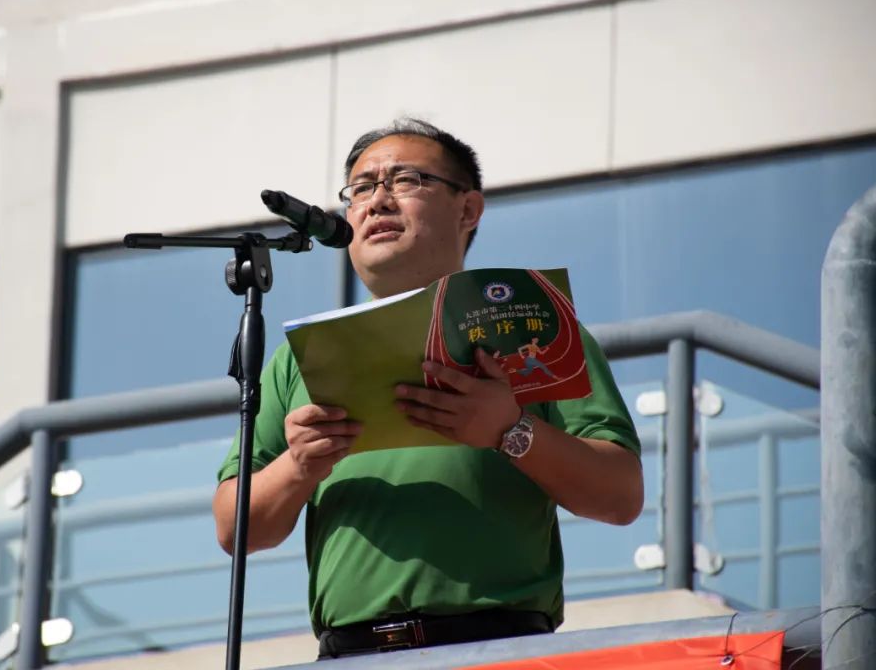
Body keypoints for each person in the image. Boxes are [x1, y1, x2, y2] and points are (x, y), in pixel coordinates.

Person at [213, 118, 643, 659]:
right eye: (361, 188)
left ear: (468, 209)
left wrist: (511, 431)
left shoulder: (534, 326)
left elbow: (620, 496)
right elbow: (235, 528)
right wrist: (299, 466)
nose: (378, 201)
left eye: (405, 180)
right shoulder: (299, 360)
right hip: (349, 654)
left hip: (498, 648)